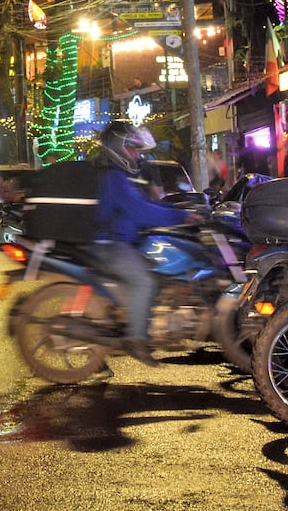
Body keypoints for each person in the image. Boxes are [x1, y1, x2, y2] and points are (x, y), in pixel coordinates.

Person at [86, 121, 202, 367]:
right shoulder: (113, 177)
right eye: (132, 149)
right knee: (144, 280)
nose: (137, 155)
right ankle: (136, 339)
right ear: (117, 147)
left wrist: (177, 208)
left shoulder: (120, 174)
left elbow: (147, 204)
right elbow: (139, 210)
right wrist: (180, 217)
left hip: (122, 239)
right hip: (108, 243)